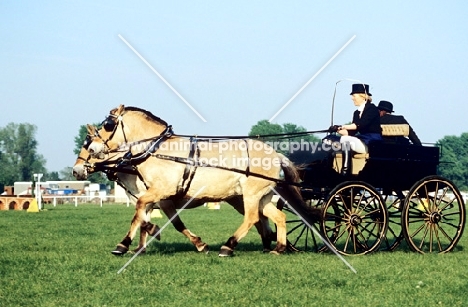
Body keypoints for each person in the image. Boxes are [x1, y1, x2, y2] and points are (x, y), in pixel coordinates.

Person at [329, 83, 382, 176]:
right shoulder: (356, 113)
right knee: (329, 139)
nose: (352, 98)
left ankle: (345, 172)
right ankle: (330, 169)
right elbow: (351, 132)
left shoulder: (372, 109)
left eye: (354, 96)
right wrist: (337, 129)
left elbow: (360, 125)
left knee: (345, 141)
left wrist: (343, 126)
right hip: (360, 139)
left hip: (371, 142)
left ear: (362, 96)